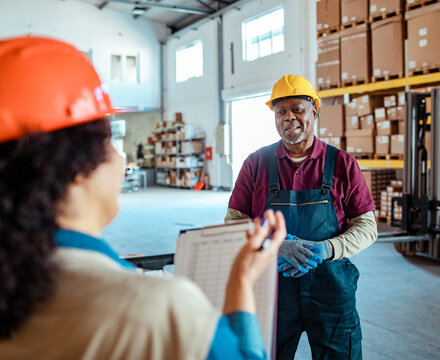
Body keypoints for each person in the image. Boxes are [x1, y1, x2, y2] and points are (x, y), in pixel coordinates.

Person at [0, 36, 286, 359]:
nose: (121, 162)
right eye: (111, 144)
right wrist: (242, 284)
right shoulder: (162, 313)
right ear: (78, 165)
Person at [225, 74, 378, 359]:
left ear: (314, 111)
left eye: (297, 109)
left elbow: (367, 226)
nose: (289, 117)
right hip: (272, 289)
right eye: (281, 111)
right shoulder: (256, 163)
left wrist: (328, 248)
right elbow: (233, 222)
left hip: (331, 289)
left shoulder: (343, 163)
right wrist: (274, 244)